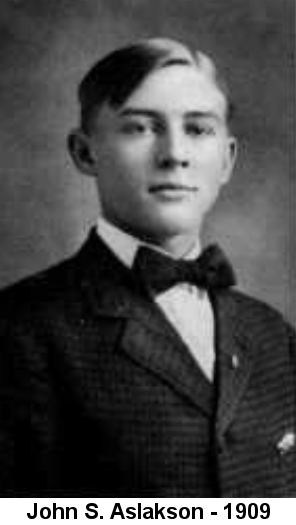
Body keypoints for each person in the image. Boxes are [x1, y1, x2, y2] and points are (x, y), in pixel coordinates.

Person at [0, 37, 295, 497]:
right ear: (84, 153)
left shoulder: (272, 333)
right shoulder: (22, 328)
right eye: (140, 128)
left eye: (198, 129)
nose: (174, 154)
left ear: (227, 160)